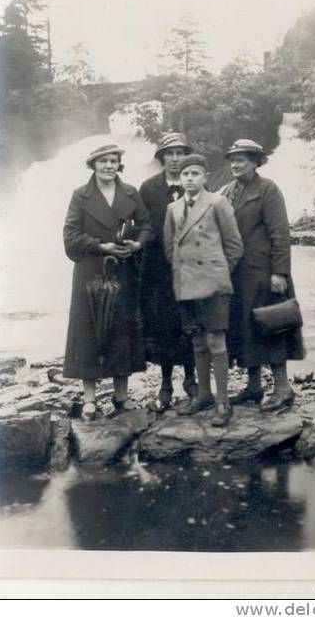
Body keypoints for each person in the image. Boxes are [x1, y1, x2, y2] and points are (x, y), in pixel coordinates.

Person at [62, 143, 153, 420]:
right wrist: (102, 246)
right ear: (93, 165)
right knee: (88, 332)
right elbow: (70, 237)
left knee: (121, 332)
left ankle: (121, 396)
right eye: (103, 161)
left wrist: (137, 245)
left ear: (119, 164)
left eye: (113, 161)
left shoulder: (130, 193)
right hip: (90, 272)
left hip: (123, 270)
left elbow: (148, 226)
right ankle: (89, 399)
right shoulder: (81, 195)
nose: (109, 166)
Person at [221, 139, 304, 412]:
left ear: (256, 162)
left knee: (272, 326)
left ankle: (282, 388)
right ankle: (254, 387)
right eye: (232, 159)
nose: (235, 164)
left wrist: (280, 272)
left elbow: (280, 233)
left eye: (241, 159)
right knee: (245, 328)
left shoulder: (268, 189)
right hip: (238, 274)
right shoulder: (228, 192)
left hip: (265, 273)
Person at [164, 154, 244, 427]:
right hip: (186, 285)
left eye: (195, 174)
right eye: (185, 174)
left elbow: (234, 246)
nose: (189, 178)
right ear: (180, 178)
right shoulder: (173, 208)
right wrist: (182, 274)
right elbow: (169, 248)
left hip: (213, 286)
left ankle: (223, 402)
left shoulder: (218, 203)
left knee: (215, 342)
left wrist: (217, 273)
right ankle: (204, 396)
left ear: (205, 177)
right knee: (197, 341)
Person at [139, 131, 198, 413]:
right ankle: (164, 383)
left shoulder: (198, 184)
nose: (175, 159)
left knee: (191, 321)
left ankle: (191, 378)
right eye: (170, 154)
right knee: (163, 324)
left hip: (191, 269)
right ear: (161, 158)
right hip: (158, 272)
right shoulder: (149, 189)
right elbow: (142, 226)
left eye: (180, 153)